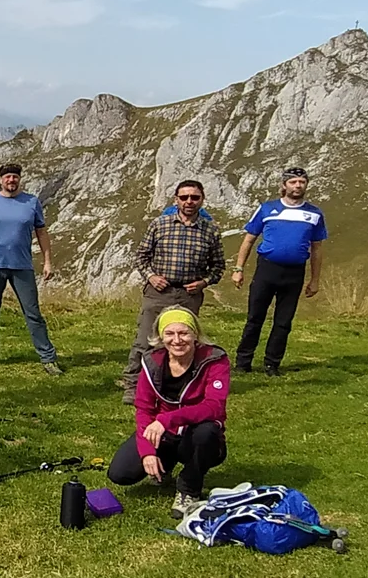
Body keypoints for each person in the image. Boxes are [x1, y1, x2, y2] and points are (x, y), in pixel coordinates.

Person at [108, 306, 229, 519]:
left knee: (207, 432)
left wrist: (166, 419)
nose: (177, 340)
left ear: (195, 334)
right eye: (170, 333)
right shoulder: (152, 362)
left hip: (196, 432)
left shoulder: (215, 359)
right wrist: (147, 451)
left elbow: (214, 406)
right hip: (164, 433)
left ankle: (189, 488)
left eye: (184, 333)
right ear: (161, 337)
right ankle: (165, 463)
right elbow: (144, 409)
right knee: (120, 473)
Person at [123, 180, 225, 398]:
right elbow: (141, 256)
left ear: (202, 200)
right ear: (176, 200)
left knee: (183, 342)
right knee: (145, 340)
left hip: (189, 296)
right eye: (184, 197)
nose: (189, 201)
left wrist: (204, 282)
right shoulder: (160, 224)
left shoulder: (210, 230)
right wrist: (151, 277)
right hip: (158, 293)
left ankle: (178, 384)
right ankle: (133, 385)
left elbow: (218, 267)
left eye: (194, 197)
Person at [0, 163, 61, 376]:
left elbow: (42, 232)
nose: (11, 180)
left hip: (22, 266)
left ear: (19, 179)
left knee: (33, 313)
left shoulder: (31, 202)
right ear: (1, 180)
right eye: (7, 177)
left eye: (15, 176)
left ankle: (48, 358)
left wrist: (47, 262)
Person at [231, 167, 327, 376]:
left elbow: (317, 249)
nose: (298, 186)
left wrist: (315, 279)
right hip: (267, 269)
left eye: (302, 182)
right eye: (293, 182)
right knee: (255, 317)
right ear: (284, 185)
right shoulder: (267, 208)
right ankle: (243, 362)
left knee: (283, 321)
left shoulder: (314, 213)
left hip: (295, 272)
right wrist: (239, 269)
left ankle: (272, 364)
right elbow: (248, 239)